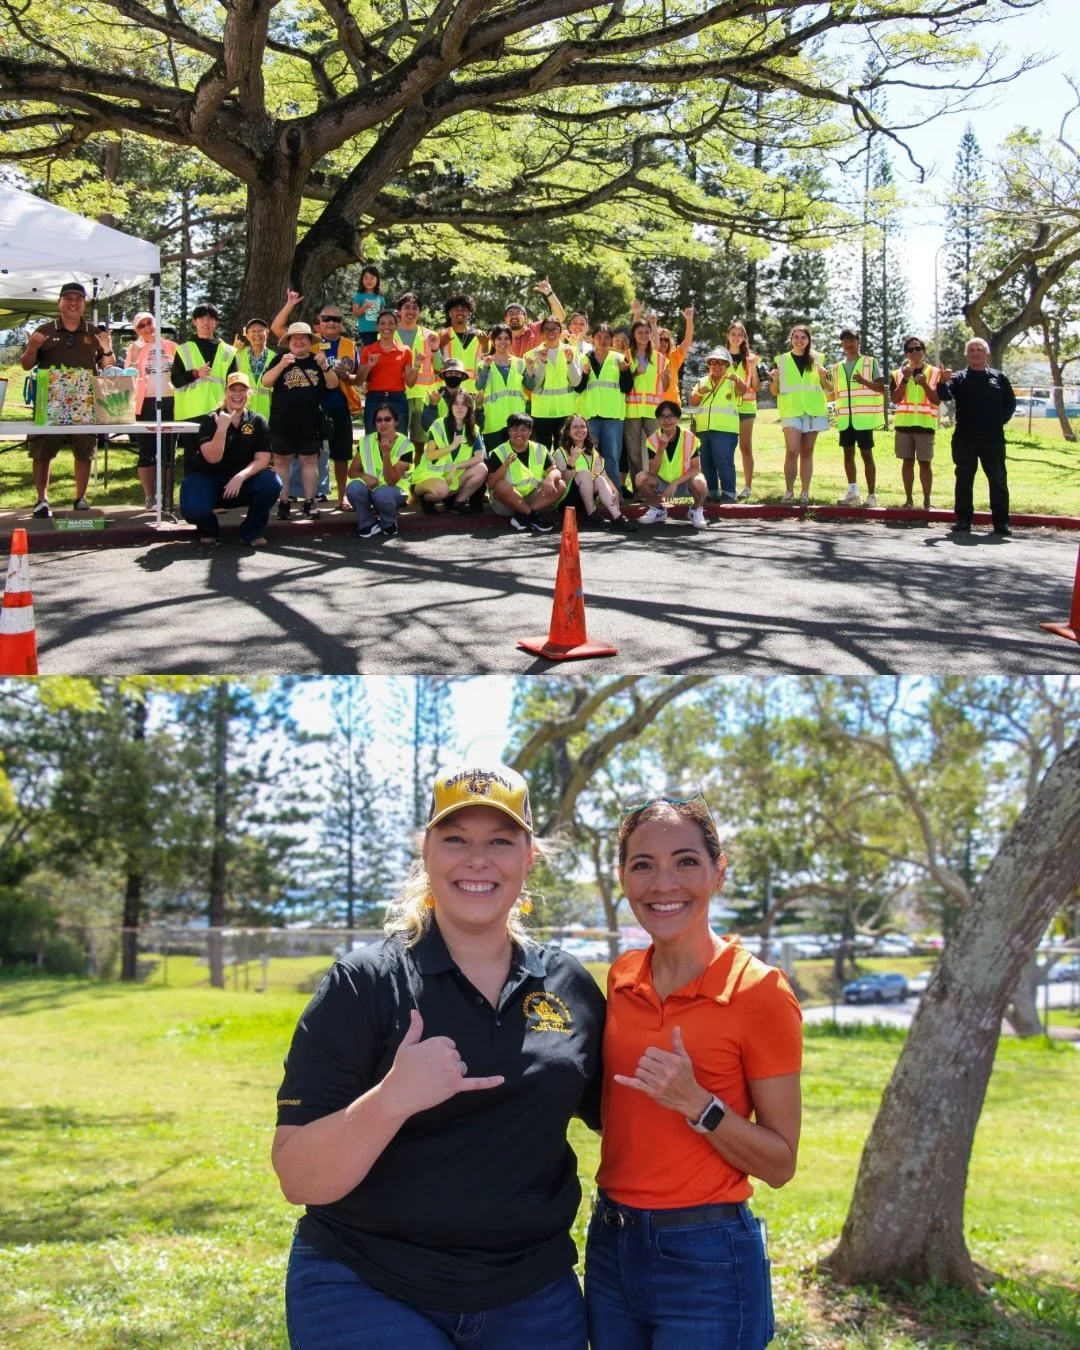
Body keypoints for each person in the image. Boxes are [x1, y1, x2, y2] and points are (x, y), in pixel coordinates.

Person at [273, 761, 604, 1350]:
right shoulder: (365, 984)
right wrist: (391, 1100)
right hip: (365, 1282)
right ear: (427, 852)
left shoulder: (567, 985)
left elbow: (629, 1118)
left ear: (528, 858)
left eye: (500, 842)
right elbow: (298, 1177)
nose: (478, 860)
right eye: (456, 840)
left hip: (531, 1291)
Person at [585, 795, 802, 1350]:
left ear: (717, 872)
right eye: (643, 865)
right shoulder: (622, 978)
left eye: (685, 861)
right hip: (610, 1247)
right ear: (622, 878)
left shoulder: (760, 992)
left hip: (707, 1258)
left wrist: (699, 1106)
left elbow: (779, 1164)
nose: (664, 883)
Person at [19, 281, 116, 517]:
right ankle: (42, 500)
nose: (73, 303)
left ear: (84, 304)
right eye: (68, 298)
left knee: (84, 451)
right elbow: (25, 365)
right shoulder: (45, 330)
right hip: (50, 403)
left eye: (78, 299)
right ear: (59, 302)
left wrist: (107, 347)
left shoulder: (94, 332)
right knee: (43, 452)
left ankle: (80, 498)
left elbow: (109, 368)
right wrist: (32, 348)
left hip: (85, 403)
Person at [179, 371, 281, 546]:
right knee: (193, 509)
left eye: (242, 390)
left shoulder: (258, 421)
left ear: (249, 394)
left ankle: (251, 532)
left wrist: (240, 477)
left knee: (271, 483)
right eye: (233, 390)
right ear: (226, 392)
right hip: (207, 477)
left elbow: (263, 459)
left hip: (240, 482)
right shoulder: (211, 420)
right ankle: (208, 529)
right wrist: (222, 429)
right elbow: (212, 458)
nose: (237, 394)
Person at [935, 338, 1015, 535]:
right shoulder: (958, 378)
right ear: (966, 355)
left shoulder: (999, 377)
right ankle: (963, 520)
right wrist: (943, 381)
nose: (975, 353)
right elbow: (945, 397)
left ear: (987, 354)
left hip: (993, 439)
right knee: (964, 479)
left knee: (997, 480)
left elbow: (1010, 404)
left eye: (979, 350)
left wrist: (998, 421)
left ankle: (1000, 522)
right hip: (965, 439)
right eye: (971, 350)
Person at [262, 321, 340, 520]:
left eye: (302, 338)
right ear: (288, 342)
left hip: (311, 422)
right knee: (281, 461)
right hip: (282, 421)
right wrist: (282, 365)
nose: (298, 341)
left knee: (309, 461)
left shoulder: (317, 360)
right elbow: (266, 382)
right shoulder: (280, 359)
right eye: (294, 338)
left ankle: (309, 502)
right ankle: (284, 502)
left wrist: (324, 366)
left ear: (309, 341)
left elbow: (332, 385)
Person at [171, 302, 238, 507]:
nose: (206, 323)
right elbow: (176, 380)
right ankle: (191, 503)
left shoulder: (228, 351)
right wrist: (195, 374)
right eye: (202, 318)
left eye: (210, 319)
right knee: (192, 461)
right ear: (194, 322)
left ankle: (218, 503)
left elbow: (234, 382)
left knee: (220, 457)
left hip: (219, 413)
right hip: (191, 413)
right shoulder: (183, 350)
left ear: (216, 323)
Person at [769, 324, 831, 504]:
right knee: (792, 450)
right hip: (791, 410)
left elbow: (827, 388)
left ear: (808, 340)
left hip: (813, 410)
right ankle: (789, 491)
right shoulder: (781, 360)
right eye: (796, 337)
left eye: (803, 337)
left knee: (807, 451)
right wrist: (774, 380)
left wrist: (823, 378)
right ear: (791, 339)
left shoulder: (818, 358)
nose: (799, 341)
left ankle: (805, 492)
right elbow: (774, 391)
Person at [123, 310, 177, 510]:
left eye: (149, 322)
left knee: (168, 451)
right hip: (145, 403)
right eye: (141, 325)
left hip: (171, 402)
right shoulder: (134, 349)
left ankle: (166, 495)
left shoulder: (172, 346)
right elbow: (128, 376)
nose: (147, 328)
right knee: (146, 451)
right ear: (137, 330)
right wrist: (136, 356)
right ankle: (149, 496)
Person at [309, 304, 362, 509]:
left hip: (341, 406)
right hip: (315, 407)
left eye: (336, 319)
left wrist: (347, 375)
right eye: (327, 318)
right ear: (319, 322)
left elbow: (357, 379)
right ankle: (310, 497)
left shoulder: (350, 345)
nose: (331, 322)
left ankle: (342, 497)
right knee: (311, 455)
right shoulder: (310, 342)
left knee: (341, 455)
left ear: (341, 324)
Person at [552, 414, 637, 531]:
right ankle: (591, 514)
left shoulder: (592, 451)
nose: (580, 430)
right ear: (567, 432)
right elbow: (563, 482)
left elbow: (602, 474)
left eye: (583, 426)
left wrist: (615, 490)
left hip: (587, 497)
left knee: (600, 479)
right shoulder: (560, 452)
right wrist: (572, 460)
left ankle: (617, 518)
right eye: (575, 427)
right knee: (584, 473)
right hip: (566, 501)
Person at [412, 389, 489, 515]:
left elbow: (479, 457)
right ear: (450, 406)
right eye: (456, 403)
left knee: (482, 468)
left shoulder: (473, 428)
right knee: (442, 490)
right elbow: (430, 455)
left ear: (469, 407)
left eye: (464, 404)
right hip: (429, 475)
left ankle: (458, 503)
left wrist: (457, 466)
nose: (460, 407)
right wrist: (453, 446)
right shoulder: (438, 424)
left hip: (453, 476)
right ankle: (424, 498)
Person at [830, 328, 885, 507]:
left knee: (867, 455)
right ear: (841, 344)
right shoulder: (836, 368)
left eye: (852, 339)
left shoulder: (870, 362)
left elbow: (881, 388)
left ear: (858, 342)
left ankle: (871, 495)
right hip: (846, 420)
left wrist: (864, 381)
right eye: (845, 339)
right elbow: (832, 394)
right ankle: (853, 492)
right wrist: (823, 380)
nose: (849, 342)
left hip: (863, 418)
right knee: (848, 455)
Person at [889, 336, 944, 511]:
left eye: (918, 348)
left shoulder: (935, 373)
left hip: (925, 425)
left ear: (924, 352)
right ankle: (909, 500)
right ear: (906, 354)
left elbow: (937, 401)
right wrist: (905, 380)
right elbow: (895, 399)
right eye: (911, 350)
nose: (915, 352)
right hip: (904, 425)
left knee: (925, 463)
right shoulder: (897, 374)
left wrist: (925, 385)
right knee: (907, 462)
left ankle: (927, 501)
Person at [636, 400, 709, 530]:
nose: (667, 420)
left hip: (685, 482)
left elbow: (696, 468)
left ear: (677, 418)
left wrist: (675, 483)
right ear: (658, 420)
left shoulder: (689, 437)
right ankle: (658, 510)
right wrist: (661, 449)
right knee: (641, 478)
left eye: (671, 416)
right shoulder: (652, 440)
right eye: (663, 417)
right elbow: (652, 471)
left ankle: (695, 510)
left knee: (700, 482)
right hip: (662, 483)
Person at [344, 403, 413, 540]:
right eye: (379, 420)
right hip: (371, 488)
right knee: (353, 488)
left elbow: (391, 481)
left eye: (388, 419)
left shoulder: (406, 445)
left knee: (382, 494)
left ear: (396, 422)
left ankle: (388, 523)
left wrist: (386, 454)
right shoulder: (367, 441)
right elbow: (352, 472)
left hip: (393, 491)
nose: (383, 423)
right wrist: (364, 476)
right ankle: (368, 524)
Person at [487, 412, 563, 533]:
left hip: (533, 499)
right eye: (514, 429)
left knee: (560, 484)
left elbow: (556, 472)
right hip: (507, 503)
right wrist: (505, 465)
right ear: (508, 431)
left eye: (523, 429)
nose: (519, 433)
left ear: (530, 431)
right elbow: (491, 484)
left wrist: (550, 478)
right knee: (502, 486)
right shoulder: (499, 451)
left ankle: (524, 515)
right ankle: (533, 516)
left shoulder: (540, 449)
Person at [689, 347, 745, 504]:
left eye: (721, 362)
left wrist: (739, 380)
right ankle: (711, 492)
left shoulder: (732, 380)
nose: (717, 365)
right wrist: (700, 392)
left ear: (727, 365)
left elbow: (742, 391)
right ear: (709, 364)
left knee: (723, 461)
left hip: (725, 430)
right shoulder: (702, 381)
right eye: (713, 362)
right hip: (704, 429)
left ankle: (728, 493)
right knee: (707, 463)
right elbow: (693, 401)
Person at [581, 324, 633, 489]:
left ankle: (613, 494)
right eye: (599, 337)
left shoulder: (619, 358)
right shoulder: (584, 358)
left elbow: (627, 388)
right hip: (590, 416)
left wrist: (625, 372)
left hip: (612, 416)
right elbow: (578, 388)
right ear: (592, 339)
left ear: (611, 340)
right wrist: (584, 374)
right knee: (590, 456)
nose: (602, 341)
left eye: (606, 338)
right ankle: (592, 492)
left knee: (611, 457)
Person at [623, 303, 666, 486]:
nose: (643, 335)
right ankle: (639, 488)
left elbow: (665, 384)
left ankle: (660, 485)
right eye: (639, 332)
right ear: (634, 335)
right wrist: (636, 314)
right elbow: (624, 380)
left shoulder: (659, 358)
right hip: (631, 410)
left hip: (653, 411)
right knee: (633, 452)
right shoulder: (627, 355)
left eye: (647, 332)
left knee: (657, 448)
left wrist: (653, 324)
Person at [523, 318, 583, 449]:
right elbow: (534, 386)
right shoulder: (531, 354)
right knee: (541, 450)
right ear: (541, 333)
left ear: (560, 331)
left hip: (565, 409)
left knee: (564, 449)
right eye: (546, 329)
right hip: (542, 410)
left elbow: (576, 381)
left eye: (554, 329)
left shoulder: (571, 351)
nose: (551, 332)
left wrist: (570, 362)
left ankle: (563, 470)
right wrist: (542, 363)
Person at [396, 293, 443, 452]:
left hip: (424, 395)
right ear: (399, 311)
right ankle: (399, 473)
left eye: (415, 308)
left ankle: (417, 473)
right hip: (399, 394)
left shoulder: (430, 335)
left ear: (420, 312)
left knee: (420, 442)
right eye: (406, 307)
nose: (411, 311)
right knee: (398, 439)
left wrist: (435, 349)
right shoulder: (387, 335)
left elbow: (439, 367)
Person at [357, 309, 416, 433]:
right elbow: (359, 381)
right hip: (375, 399)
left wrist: (418, 365)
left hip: (398, 399)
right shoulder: (368, 350)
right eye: (382, 323)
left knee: (400, 440)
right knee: (372, 439)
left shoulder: (405, 350)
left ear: (396, 325)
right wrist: (369, 365)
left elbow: (410, 383)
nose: (386, 327)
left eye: (390, 323)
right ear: (377, 326)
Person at [476, 326, 528, 450]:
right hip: (493, 420)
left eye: (506, 338)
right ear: (493, 341)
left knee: (516, 458)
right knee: (496, 461)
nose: (502, 342)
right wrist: (486, 367)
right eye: (499, 338)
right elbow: (479, 386)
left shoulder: (521, 363)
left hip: (516, 421)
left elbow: (530, 386)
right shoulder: (483, 363)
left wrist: (531, 371)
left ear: (511, 341)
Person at [727, 321, 760, 501]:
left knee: (745, 447)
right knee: (725, 449)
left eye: (740, 334)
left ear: (744, 337)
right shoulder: (720, 356)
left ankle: (747, 487)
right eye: (733, 333)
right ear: (728, 335)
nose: (736, 337)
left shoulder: (750, 358)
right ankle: (727, 486)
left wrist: (753, 367)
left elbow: (755, 386)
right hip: (725, 409)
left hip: (746, 407)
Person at [505, 279, 566, 357]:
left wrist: (549, 293)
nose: (514, 315)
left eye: (518, 312)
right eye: (510, 313)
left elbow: (560, 317)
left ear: (526, 318)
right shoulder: (498, 336)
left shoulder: (536, 329)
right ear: (505, 319)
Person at [439, 294, 487, 392]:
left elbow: (487, 363)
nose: (460, 312)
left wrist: (485, 346)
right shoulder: (441, 335)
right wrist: (440, 345)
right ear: (449, 312)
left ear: (469, 313)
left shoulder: (481, 336)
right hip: (448, 391)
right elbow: (434, 364)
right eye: (456, 309)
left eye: (464, 309)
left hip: (474, 391)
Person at [233, 318, 273, 421]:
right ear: (246, 334)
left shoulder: (275, 358)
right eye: (253, 331)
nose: (257, 334)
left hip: (269, 414)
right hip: (243, 413)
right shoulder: (238, 355)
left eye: (260, 330)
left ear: (267, 333)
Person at [656, 306, 694, 404]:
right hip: (654, 405)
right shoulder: (649, 357)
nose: (663, 342)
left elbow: (688, 341)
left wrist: (689, 320)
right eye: (660, 339)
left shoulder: (673, 356)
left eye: (666, 339)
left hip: (673, 404)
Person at [351, 264, 386, 346]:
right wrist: (365, 307)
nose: (369, 281)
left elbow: (383, 313)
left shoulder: (380, 296)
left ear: (377, 280)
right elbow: (355, 314)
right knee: (371, 352)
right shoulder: (359, 295)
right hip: (366, 331)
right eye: (366, 278)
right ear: (362, 280)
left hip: (380, 330)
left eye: (372, 278)